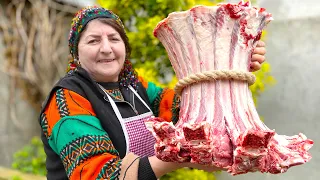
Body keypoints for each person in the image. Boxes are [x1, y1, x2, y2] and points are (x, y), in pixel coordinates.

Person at [39, 6, 267, 180]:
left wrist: (232, 65)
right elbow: (98, 175)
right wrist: (173, 160)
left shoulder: (135, 86)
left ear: (124, 48)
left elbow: (192, 113)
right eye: (93, 40)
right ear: (76, 53)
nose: (106, 48)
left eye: (114, 39)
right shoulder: (66, 99)